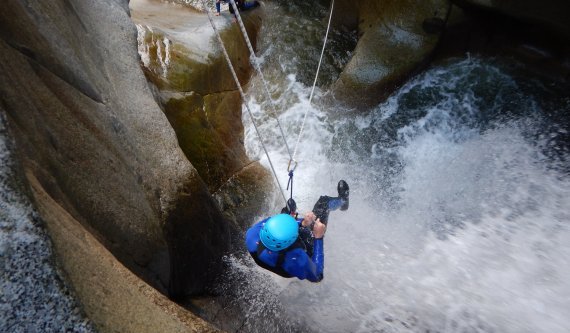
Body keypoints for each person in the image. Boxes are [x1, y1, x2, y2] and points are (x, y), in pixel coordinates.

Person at [245, 180, 349, 282]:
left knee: (286, 211)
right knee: (324, 202)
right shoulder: (297, 258)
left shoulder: (252, 234)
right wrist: (319, 237)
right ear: (293, 239)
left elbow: (273, 221)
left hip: (276, 254)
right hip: (287, 262)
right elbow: (318, 275)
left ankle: (291, 217)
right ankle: (343, 200)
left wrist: (302, 222)